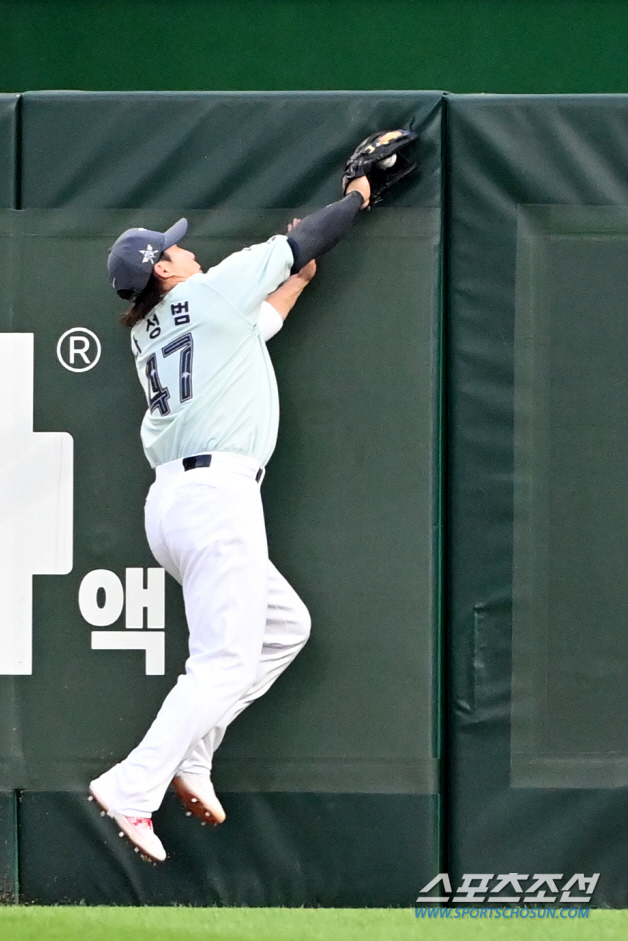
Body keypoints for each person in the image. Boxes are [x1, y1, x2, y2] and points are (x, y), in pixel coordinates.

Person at [90, 173, 372, 862]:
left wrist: (299, 277)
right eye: (175, 250)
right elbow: (305, 237)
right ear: (164, 268)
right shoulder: (210, 290)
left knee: (284, 628)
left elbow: (261, 321)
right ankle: (132, 785)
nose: (188, 252)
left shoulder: (158, 329)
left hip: (175, 505)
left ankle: (193, 755)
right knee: (222, 661)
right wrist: (359, 198)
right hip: (216, 496)